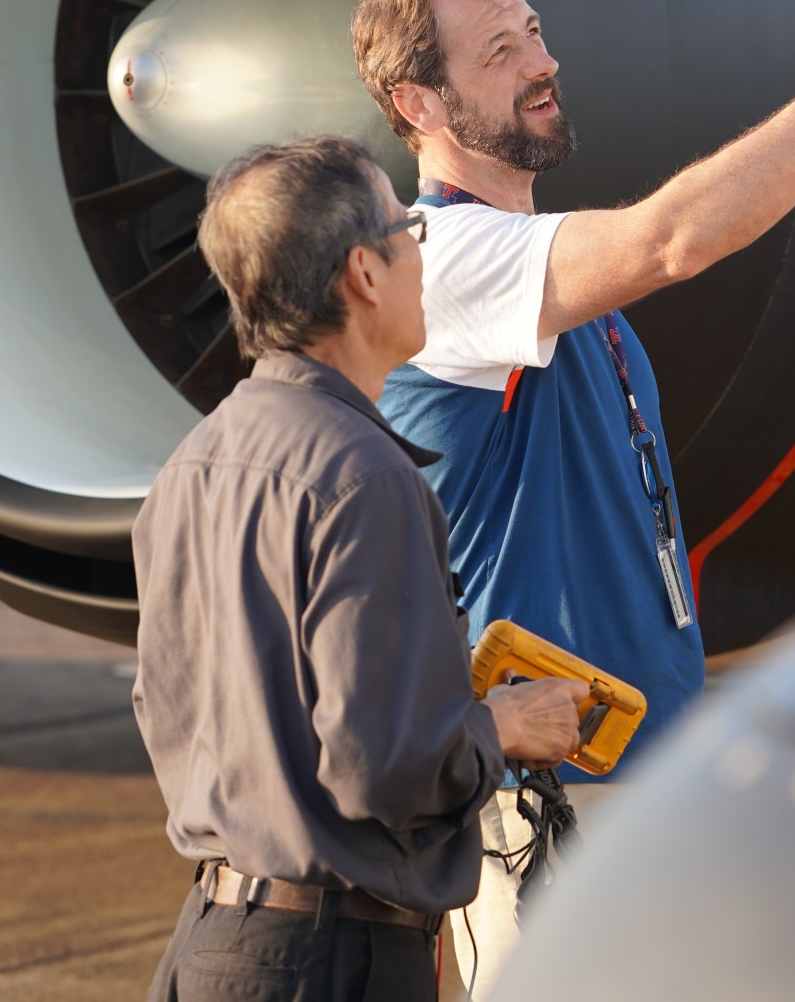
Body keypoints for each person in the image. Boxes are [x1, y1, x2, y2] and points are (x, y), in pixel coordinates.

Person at [351, 0, 795, 994]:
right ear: (417, 104)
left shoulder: (547, 289)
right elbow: (671, 241)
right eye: (496, 51)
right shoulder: (443, 258)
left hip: (632, 775)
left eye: (533, 32)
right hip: (545, 801)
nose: (539, 61)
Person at [131, 135, 589, 1002]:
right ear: (364, 274)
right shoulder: (365, 475)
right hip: (328, 961)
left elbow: (164, 705)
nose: (424, 252)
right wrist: (503, 724)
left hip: (212, 944)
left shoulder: (189, 465)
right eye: (411, 229)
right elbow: (383, 767)